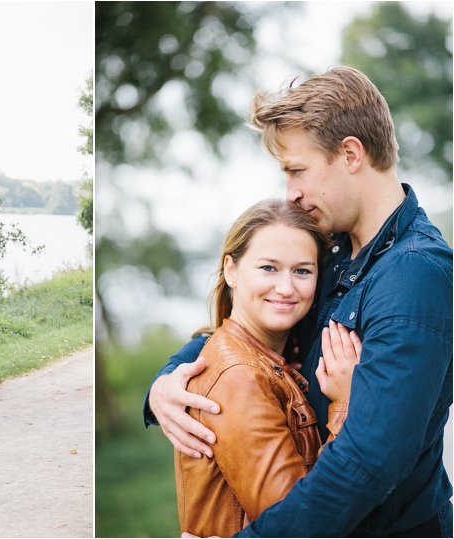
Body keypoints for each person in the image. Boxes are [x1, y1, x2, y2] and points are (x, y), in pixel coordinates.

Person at [145, 66, 453, 537]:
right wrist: (167, 381)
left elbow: (367, 464)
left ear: (351, 153)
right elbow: (256, 327)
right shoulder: (332, 249)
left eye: (296, 170)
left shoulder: (414, 274)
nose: (292, 193)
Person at [174, 198, 360, 538]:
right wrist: (346, 403)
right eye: (268, 268)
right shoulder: (239, 375)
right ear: (231, 269)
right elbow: (302, 525)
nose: (286, 288)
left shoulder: (270, 359)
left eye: (302, 270)